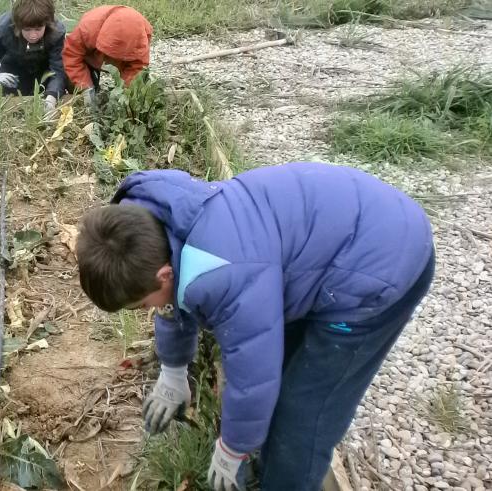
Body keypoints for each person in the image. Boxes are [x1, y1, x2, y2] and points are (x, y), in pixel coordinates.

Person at [76, 162, 435, 490]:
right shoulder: (152, 219)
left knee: (304, 413)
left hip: (380, 268)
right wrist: (173, 370)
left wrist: (233, 448)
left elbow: (252, 376)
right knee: (280, 374)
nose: (146, 310)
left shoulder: (226, 274)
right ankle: (265, 457)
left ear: (163, 274)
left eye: (141, 304)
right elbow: (174, 297)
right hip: (334, 237)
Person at [0, 0, 67, 114]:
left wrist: (52, 96)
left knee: (53, 98)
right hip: (13, 72)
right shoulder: (1, 28)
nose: (33, 35)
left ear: (47, 23)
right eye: (27, 29)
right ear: (18, 25)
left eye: (38, 29)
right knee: (11, 109)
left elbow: (58, 68)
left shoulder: (57, 31)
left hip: (44, 71)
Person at [61, 5, 152, 111]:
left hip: (124, 59)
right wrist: (85, 87)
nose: (109, 63)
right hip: (91, 57)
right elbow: (72, 54)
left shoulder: (140, 39)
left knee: (135, 92)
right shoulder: (89, 28)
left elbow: (137, 67)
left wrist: (124, 94)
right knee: (75, 85)